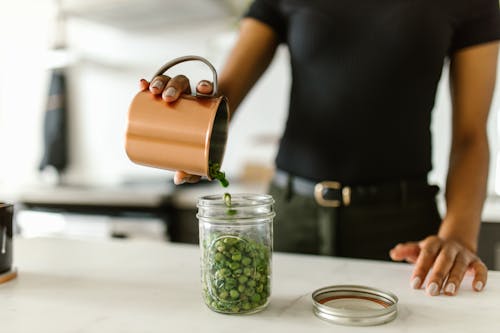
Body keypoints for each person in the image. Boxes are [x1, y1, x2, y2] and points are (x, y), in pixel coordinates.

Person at [138, 0, 500, 297]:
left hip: (402, 228)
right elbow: (222, 99)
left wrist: (457, 236)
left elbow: (470, 136)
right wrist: (182, 115)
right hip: (290, 220)